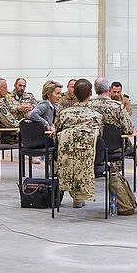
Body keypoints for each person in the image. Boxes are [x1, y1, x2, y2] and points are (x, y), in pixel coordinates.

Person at [54, 79, 102, 208]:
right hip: (90, 157)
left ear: (74, 93)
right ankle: (79, 196)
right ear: (91, 93)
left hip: (66, 155)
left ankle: (76, 196)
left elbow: (57, 129)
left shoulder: (64, 114)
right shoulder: (96, 115)